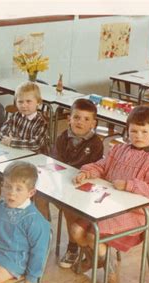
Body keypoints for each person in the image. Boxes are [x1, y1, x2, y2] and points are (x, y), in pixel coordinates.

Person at [69, 105, 149, 283]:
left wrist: (129, 185)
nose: (138, 135)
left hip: (133, 214)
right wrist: (87, 172)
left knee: (92, 235)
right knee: (75, 230)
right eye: (134, 131)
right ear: (127, 131)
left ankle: (110, 270)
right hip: (106, 205)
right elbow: (102, 166)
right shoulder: (118, 149)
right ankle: (94, 259)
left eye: (144, 131)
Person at [52, 98, 104, 269]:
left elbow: (94, 168)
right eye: (76, 117)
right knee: (40, 197)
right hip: (64, 184)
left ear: (93, 123)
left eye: (86, 119)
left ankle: (74, 247)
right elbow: (56, 162)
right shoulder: (62, 138)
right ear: (69, 119)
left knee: (70, 210)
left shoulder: (96, 143)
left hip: (85, 188)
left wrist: (79, 175)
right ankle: (45, 239)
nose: (80, 122)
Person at [0, 81, 48, 152]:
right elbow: (1, 132)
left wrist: (12, 142)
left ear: (38, 102)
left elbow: (36, 144)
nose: (24, 105)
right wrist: (6, 139)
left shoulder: (41, 122)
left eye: (28, 101)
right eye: (20, 102)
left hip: (34, 158)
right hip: (15, 152)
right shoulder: (15, 116)